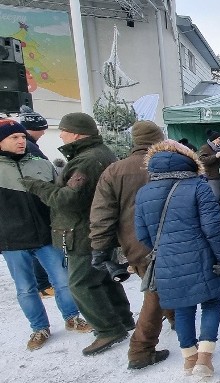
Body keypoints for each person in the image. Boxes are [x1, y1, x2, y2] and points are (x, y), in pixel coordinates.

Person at [21, 112, 134, 356]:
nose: (60, 135)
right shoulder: (98, 154)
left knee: (80, 284)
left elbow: (68, 200)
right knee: (103, 277)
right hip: (97, 228)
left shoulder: (85, 161)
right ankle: (123, 320)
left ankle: (108, 329)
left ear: (75, 133)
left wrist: (37, 185)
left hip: (83, 231)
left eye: (62, 130)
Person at [135, 139, 220, 377]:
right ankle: (205, 359)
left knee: (182, 308)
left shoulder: (143, 192)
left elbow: (142, 234)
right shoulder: (198, 186)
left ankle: (189, 360)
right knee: (211, 302)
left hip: (166, 262)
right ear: (189, 160)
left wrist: (166, 249)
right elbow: (212, 227)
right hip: (202, 256)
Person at [0, 119, 92, 351]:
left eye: (22, 137)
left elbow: (58, 197)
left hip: (45, 235)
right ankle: (39, 328)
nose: (21, 141)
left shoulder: (41, 164)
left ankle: (72, 318)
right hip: (12, 241)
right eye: (14, 138)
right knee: (25, 288)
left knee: (62, 281)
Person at [88, 120, 170, 369]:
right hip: (168, 238)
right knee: (154, 295)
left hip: (134, 243)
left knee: (158, 288)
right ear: (159, 139)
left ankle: (175, 317)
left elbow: (102, 212)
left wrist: (100, 246)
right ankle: (141, 351)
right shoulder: (167, 165)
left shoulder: (114, 170)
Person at [18, 106, 52, 297]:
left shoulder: (27, 146)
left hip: (26, 206)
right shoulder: (30, 148)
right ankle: (43, 284)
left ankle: (41, 283)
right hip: (34, 204)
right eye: (42, 128)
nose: (45, 132)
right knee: (40, 244)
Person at [198, 129, 220, 219]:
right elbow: (201, 161)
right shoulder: (205, 148)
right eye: (219, 138)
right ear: (213, 139)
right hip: (212, 177)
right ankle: (214, 216)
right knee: (216, 197)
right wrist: (215, 156)